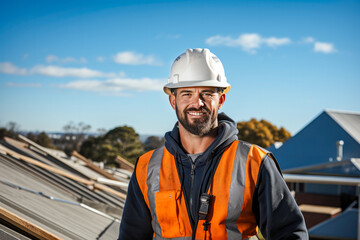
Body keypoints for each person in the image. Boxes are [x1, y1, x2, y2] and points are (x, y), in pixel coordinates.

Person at [118, 48, 308, 240]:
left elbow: (290, 235)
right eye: (186, 94)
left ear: (221, 99)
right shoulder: (147, 168)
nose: (197, 103)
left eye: (207, 94)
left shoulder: (254, 163)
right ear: (173, 101)